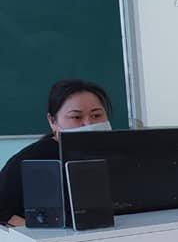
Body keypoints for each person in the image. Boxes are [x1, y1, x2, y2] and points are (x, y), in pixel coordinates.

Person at [0, 80, 112, 227]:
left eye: (96, 115)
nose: (88, 124)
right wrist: (35, 231)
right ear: (53, 121)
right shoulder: (30, 159)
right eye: (76, 117)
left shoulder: (118, 152)